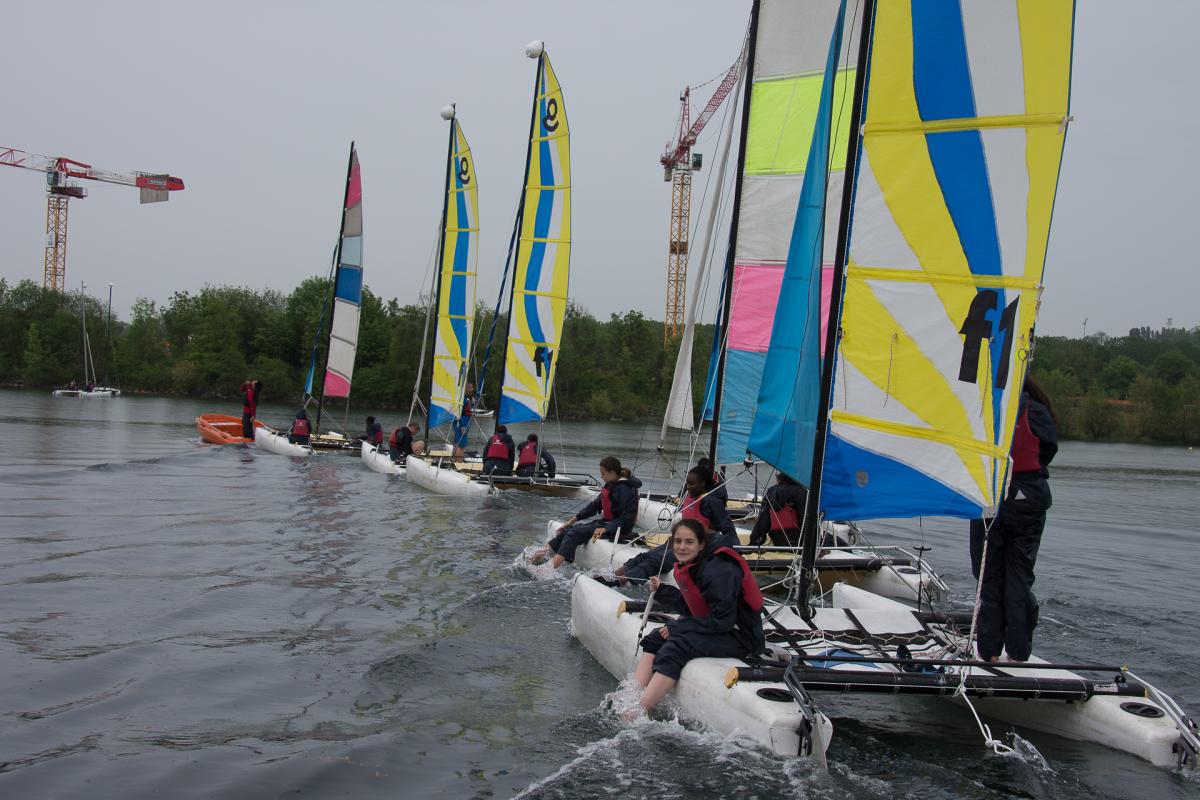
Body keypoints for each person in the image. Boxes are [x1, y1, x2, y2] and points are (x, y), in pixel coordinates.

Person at [629, 518, 765, 716]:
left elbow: (723, 621)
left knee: (677, 645)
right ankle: (631, 697)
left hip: (741, 636)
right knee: (656, 637)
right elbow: (696, 607)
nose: (682, 547)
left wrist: (678, 627)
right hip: (719, 628)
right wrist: (663, 591)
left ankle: (638, 711)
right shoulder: (697, 563)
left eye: (689, 542)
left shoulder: (719, 569)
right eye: (678, 541)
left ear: (701, 544)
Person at [970, 374, 1058, 663]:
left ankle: (989, 653)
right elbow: (1047, 451)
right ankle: (1018, 653)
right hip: (1029, 498)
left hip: (992, 496)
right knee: (1019, 576)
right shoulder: (1038, 410)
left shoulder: (986, 407)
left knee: (988, 575)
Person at [616, 465, 739, 597]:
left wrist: (732, 551)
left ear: (703, 483)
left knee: (656, 560)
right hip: (682, 541)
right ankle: (616, 574)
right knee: (647, 555)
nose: (688, 487)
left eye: (692, 484)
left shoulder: (712, 502)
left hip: (698, 549)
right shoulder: (692, 497)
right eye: (687, 483)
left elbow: (728, 528)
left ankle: (623, 582)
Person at [531, 456, 642, 569]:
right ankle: (537, 556)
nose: (601, 476)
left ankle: (549, 569)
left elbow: (626, 517)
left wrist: (606, 529)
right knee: (566, 531)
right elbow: (594, 506)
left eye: (603, 473)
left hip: (618, 529)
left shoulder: (624, 489)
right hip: (607, 524)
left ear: (612, 472)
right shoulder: (611, 484)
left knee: (574, 533)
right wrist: (573, 520)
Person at [749, 472, 808, 547]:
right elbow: (806, 520)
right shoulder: (801, 492)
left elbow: (764, 520)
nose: (775, 474)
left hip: (777, 541)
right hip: (798, 543)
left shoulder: (771, 490)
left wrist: (754, 542)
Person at [454, 383, 476, 456]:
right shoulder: (462, 398)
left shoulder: (466, 398)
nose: (472, 389)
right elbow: (458, 412)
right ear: (466, 388)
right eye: (471, 387)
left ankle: (456, 460)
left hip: (464, 422)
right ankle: (458, 461)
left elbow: (468, 409)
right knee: (461, 445)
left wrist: (473, 403)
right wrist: (462, 426)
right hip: (462, 423)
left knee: (458, 443)